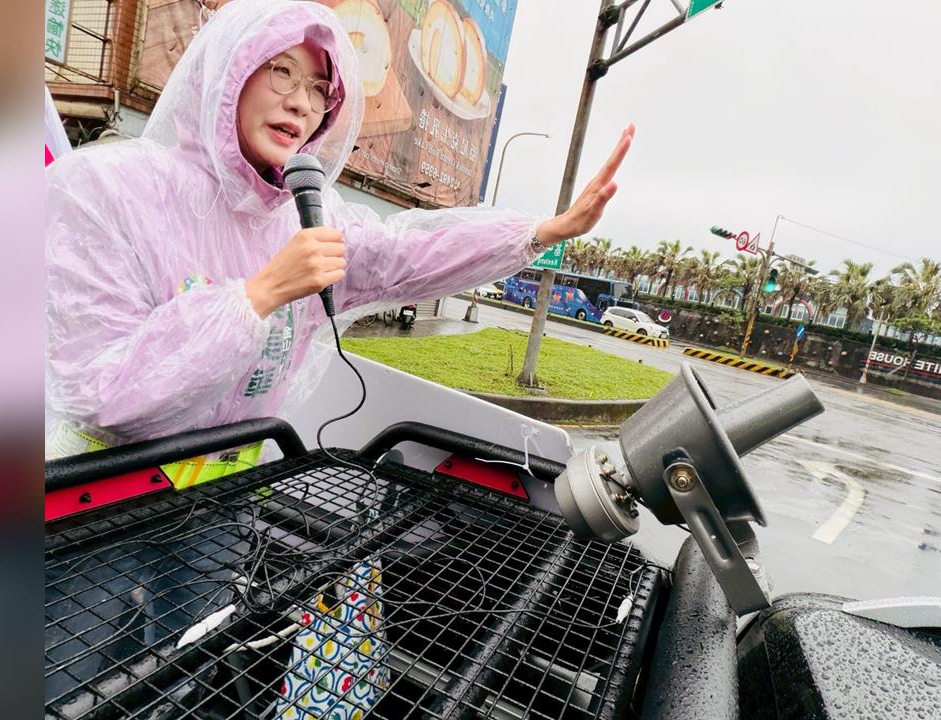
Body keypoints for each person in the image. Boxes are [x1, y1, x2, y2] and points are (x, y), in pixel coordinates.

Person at [45, 0, 632, 480]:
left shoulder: (304, 216)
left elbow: (407, 253)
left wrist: (537, 233)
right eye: (281, 72)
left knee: (208, 630)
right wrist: (258, 295)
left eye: (320, 88)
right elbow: (104, 393)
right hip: (99, 498)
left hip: (220, 500)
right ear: (228, 76)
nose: (301, 102)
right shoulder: (109, 189)